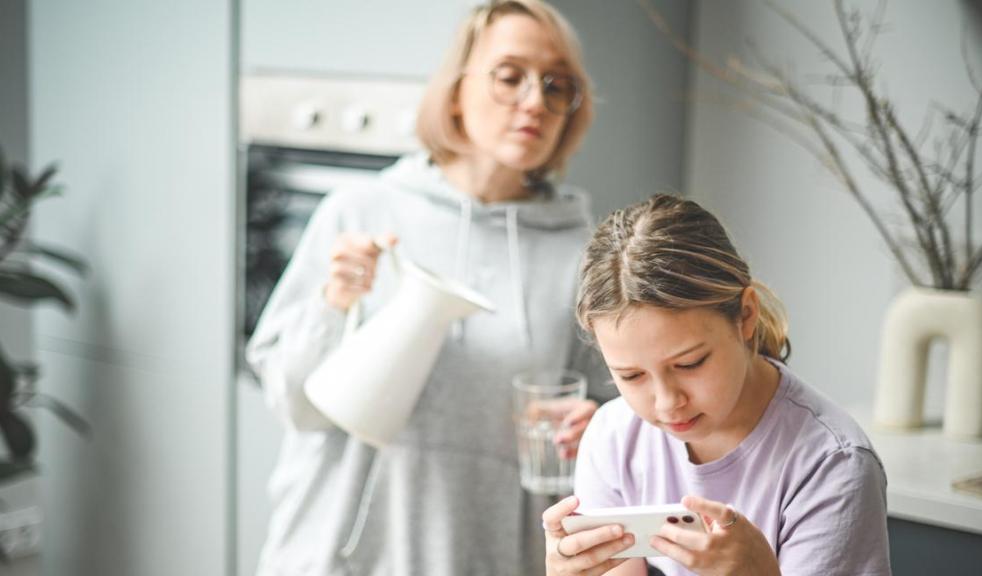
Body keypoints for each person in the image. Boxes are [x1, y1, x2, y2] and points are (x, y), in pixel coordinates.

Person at [246, 1, 615, 574]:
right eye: (509, 75)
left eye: (555, 86)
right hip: (338, 557)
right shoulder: (360, 213)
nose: (534, 102)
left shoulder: (584, 256)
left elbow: (616, 413)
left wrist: (597, 423)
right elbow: (293, 404)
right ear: (454, 90)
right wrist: (333, 306)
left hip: (490, 558)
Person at [541, 194, 891, 576]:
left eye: (689, 363)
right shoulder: (613, 437)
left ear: (745, 315)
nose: (666, 403)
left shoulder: (832, 465)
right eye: (631, 376)